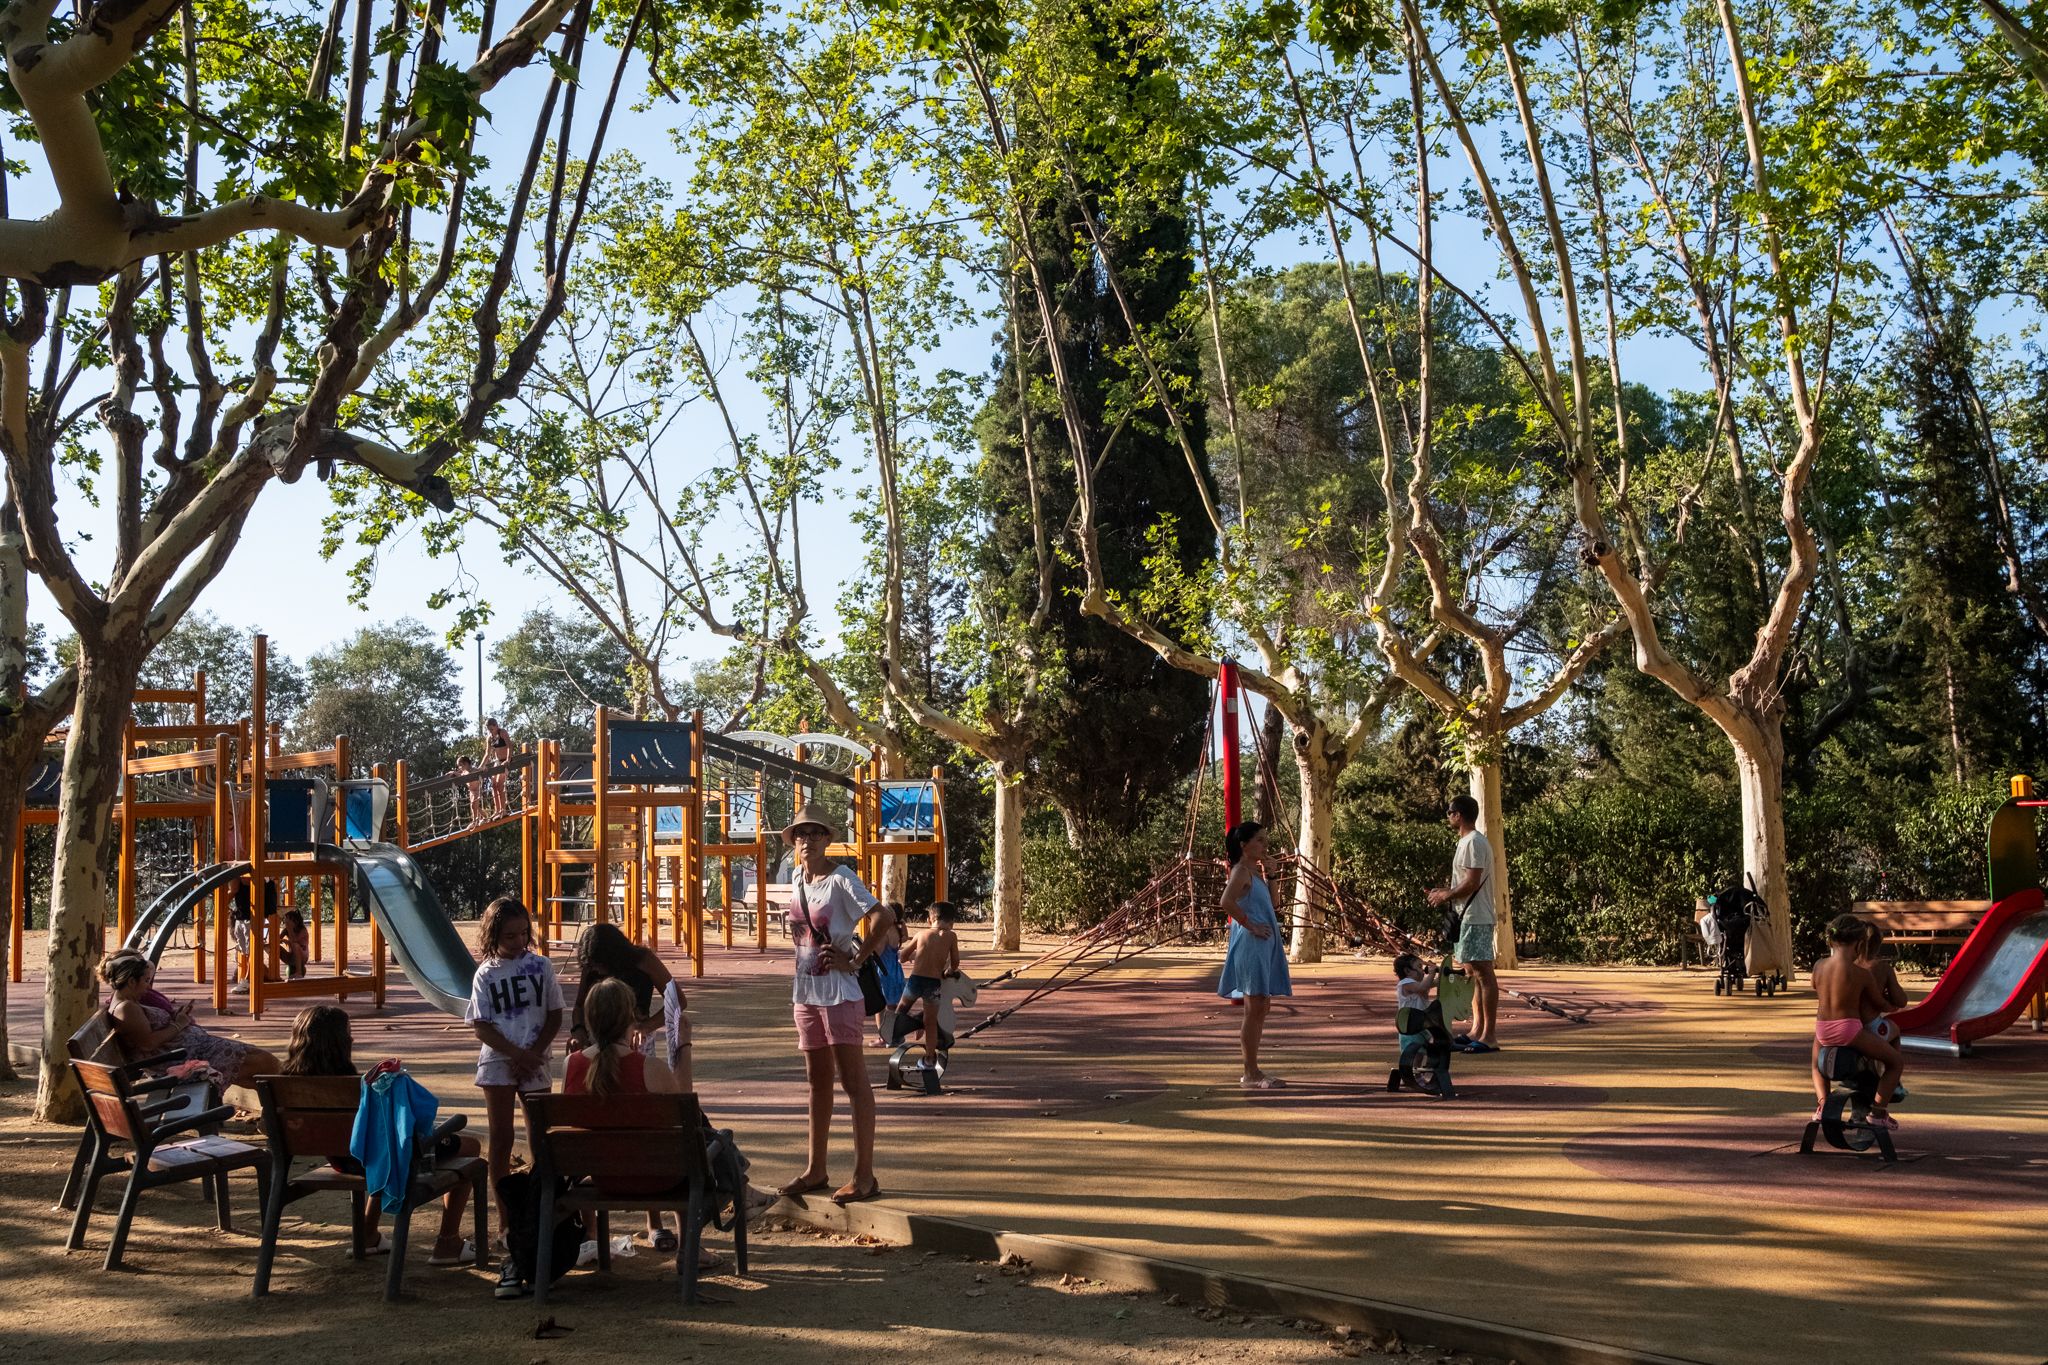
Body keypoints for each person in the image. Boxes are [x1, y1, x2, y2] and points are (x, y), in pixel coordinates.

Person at [281, 1005, 479, 1265]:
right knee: (470, 1147)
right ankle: (447, 1241)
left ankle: (367, 1234)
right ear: (343, 1043)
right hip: (371, 1159)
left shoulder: (283, 1082)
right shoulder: (359, 1086)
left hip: (342, 1161)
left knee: (380, 1153)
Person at [777, 803, 881, 1206]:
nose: (807, 840)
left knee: (854, 1083)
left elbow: (882, 915)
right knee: (817, 1083)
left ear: (827, 839)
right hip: (805, 992)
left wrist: (855, 959)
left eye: (815, 833)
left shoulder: (841, 880)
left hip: (839, 993)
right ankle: (815, 1168)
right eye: (801, 834)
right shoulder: (797, 880)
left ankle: (864, 1175)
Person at [565, 923, 686, 1251]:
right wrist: (579, 1030)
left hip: (636, 1043)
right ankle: (659, 1225)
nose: (597, 971)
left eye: (600, 966)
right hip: (601, 1048)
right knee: (627, 1126)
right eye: (592, 968)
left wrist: (646, 1024)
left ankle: (654, 1222)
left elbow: (677, 1000)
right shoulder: (593, 967)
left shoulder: (643, 960)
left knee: (641, 1124)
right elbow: (579, 1006)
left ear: (614, 957)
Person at [465, 896, 563, 1255]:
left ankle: (540, 1214)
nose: (519, 942)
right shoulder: (485, 974)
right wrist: (516, 1053)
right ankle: (506, 1221)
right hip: (499, 1061)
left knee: (540, 1139)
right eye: (510, 936)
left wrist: (533, 1053)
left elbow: (554, 1015)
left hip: (535, 1059)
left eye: (524, 933)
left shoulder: (542, 966)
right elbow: (481, 1026)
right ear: (494, 935)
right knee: (502, 1138)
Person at [100, 950, 280, 1091]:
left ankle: (274, 1116)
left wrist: (178, 1020)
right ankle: (280, 1118)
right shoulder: (126, 1008)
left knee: (261, 1066)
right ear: (131, 982)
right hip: (183, 1062)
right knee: (267, 1063)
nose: (148, 986)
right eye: (146, 980)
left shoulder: (129, 1002)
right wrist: (179, 1024)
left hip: (194, 1050)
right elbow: (148, 1043)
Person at [1811, 913, 1907, 1128]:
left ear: (1831, 940)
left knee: (1817, 1066)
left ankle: (1823, 1105)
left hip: (1822, 1029)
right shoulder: (1860, 974)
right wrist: (1891, 1006)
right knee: (1895, 1062)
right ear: (1858, 944)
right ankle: (1879, 1112)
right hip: (1849, 1029)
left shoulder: (1818, 965)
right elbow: (1879, 1002)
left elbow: (1815, 986)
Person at [1217, 820, 1290, 1089]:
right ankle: (1251, 1073)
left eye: (1265, 840)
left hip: (1264, 945)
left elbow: (1275, 904)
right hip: (1252, 944)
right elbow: (1226, 901)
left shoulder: (1253, 872)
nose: (1265, 846)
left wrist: (1272, 876)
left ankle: (1253, 1070)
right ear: (1244, 845)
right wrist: (1250, 925)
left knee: (1261, 1007)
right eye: (1259, 840)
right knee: (1254, 1008)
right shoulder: (1240, 872)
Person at [1427, 795, 1500, 1053]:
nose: (1448, 816)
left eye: (1449, 812)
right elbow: (1466, 882)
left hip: (1476, 917)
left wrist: (1446, 894)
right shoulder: (1467, 842)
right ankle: (1476, 1030)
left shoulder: (1473, 842)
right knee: (1472, 974)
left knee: (1483, 973)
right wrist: (1445, 890)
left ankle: (1489, 1035)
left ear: (1458, 815)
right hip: (1467, 917)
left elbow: (1471, 882)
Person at [897, 902, 961, 1065]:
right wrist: (948, 971)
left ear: (929, 920)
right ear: (951, 923)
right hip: (933, 984)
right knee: (930, 1022)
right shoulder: (951, 936)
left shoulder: (921, 934)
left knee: (901, 1010)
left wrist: (909, 957)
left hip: (916, 980)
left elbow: (903, 955)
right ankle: (930, 1057)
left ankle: (894, 1033)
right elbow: (955, 962)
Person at [868, 902, 907, 1046]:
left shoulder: (883, 932)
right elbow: (905, 938)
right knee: (893, 1006)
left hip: (883, 971)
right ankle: (897, 1035)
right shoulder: (897, 930)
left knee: (880, 1006)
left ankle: (884, 1037)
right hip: (895, 970)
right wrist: (902, 923)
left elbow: (877, 952)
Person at [484, 718, 512, 817]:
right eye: (488, 729)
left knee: (500, 784)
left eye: (492, 729)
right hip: (497, 762)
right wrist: (482, 766)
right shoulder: (490, 738)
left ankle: (503, 810)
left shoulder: (502, 732)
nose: (490, 731)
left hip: (505, 761)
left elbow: (509, 746)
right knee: (494, 785)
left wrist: (508, 759)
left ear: (496, 726)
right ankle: (497, 810)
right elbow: (487, 753)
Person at [279, 908, 311, 981]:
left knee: (295, 945)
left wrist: (290, 929)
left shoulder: (302, 930)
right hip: (291, 957)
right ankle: (273, 973)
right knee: (276, 947)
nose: (287, 922)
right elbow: (276, 940)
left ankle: (299, 972)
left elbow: (294, 942)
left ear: (296, 921)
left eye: (289, 920)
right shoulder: (286, 929)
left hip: (302, 957)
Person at [455, 756, 484, 827]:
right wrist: (453, 773)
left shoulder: (474, 770)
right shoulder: (465, 772)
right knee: (475, 807)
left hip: (477, 790)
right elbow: (461, 775)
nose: (459, 768)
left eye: (460, 765)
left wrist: (484, 769)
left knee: (473, 805)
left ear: (466, 764)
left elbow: (480, 770)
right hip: (471, 791)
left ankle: (475, 821)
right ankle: (485, 817)